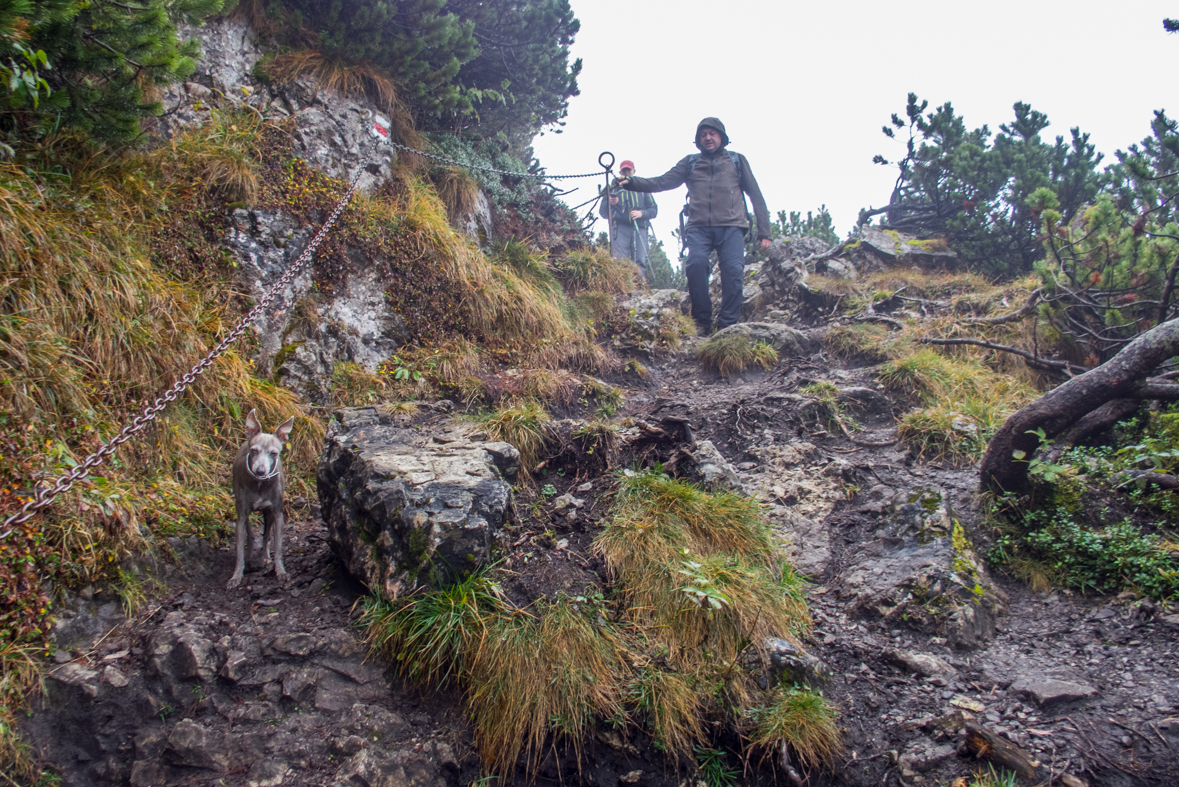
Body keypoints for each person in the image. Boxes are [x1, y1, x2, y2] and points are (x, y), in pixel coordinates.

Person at [616, 118, 771, 335]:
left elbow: (755, 194)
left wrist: (765, 231)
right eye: (703, 135)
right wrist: (633, 183)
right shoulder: (690, 162)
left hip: (732, 225)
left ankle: (728, 326)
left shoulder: (736, 160)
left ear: (722, 137)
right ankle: (702, 323)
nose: (708, 137)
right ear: (698, 140)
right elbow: (663, 181)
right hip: (698, 227)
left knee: (733, 271)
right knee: (696, 266)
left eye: (712, 133)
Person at [599, 159, 658, 281]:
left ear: (634, 171)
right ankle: (622, 287)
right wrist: (610, 203)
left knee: (640, 260)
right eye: (624, 170)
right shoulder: (612, 188)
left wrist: (641, 213)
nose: (626, 172)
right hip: (620, 228)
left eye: (629, 170)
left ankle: (640, 286)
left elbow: (654, 210)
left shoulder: (642, 187)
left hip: (640, 228)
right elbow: (603, 213)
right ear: (620, 172)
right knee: (620, 261)